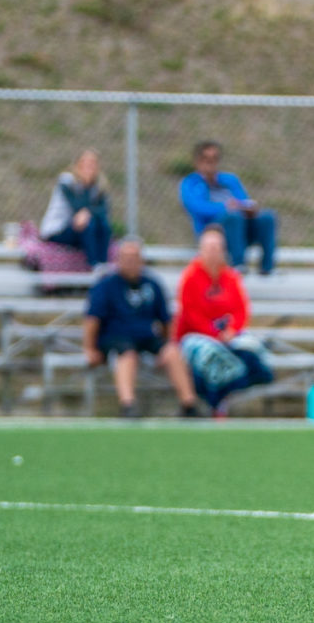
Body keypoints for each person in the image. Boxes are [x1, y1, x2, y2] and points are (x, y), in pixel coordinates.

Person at [82, 236, 199, 418]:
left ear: (141, 259)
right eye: (126, 257)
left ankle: (189, 404)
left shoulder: (152, 285)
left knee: (172, 351)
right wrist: (90, 349)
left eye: (134, 257)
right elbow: (92, 319)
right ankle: (128, 405)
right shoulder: (106, 286)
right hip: (115, 338)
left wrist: (165, 344)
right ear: (118, 259)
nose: (130, 262)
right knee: (127, 354)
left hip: (146, 336)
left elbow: (165, 320)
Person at [174, 226, 272, 416]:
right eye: (209, 247)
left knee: (251, 347)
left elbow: (241, 310)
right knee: (209, 353)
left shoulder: (230, 277)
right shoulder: (191, 276)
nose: (213, 252)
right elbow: (190, 314)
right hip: (197, 336)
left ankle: (226, 397)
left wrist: (231, 330)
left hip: (228, 335)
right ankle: (214, 402)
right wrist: (215, 335)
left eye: (217, 247)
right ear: (201, 250)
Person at [179, 140, 278, 275]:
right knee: (233, 216)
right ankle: (238, 265)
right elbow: (197, 208)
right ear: (197, 161)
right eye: (206, 159)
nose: (210, 162)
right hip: (212, 229)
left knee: (267, 217)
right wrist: (226, 207)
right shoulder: (190, 183)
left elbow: (243, 201)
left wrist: (249, 209)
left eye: (214, 158)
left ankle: (268, 267)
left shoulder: (230, 180)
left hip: (241, 227)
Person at [39, 149, 112, 270]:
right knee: (88, 223)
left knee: (103, 224)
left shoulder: (99, 186)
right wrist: (86, 185)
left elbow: (104, 211)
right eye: (85, 164)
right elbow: (78, 208)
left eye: (93, 164)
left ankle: (103, 265)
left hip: (81, 230)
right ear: (77, 165)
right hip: (59, 230)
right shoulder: (66, 182)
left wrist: (89, 211)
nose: (89, 168)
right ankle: (94, 266)